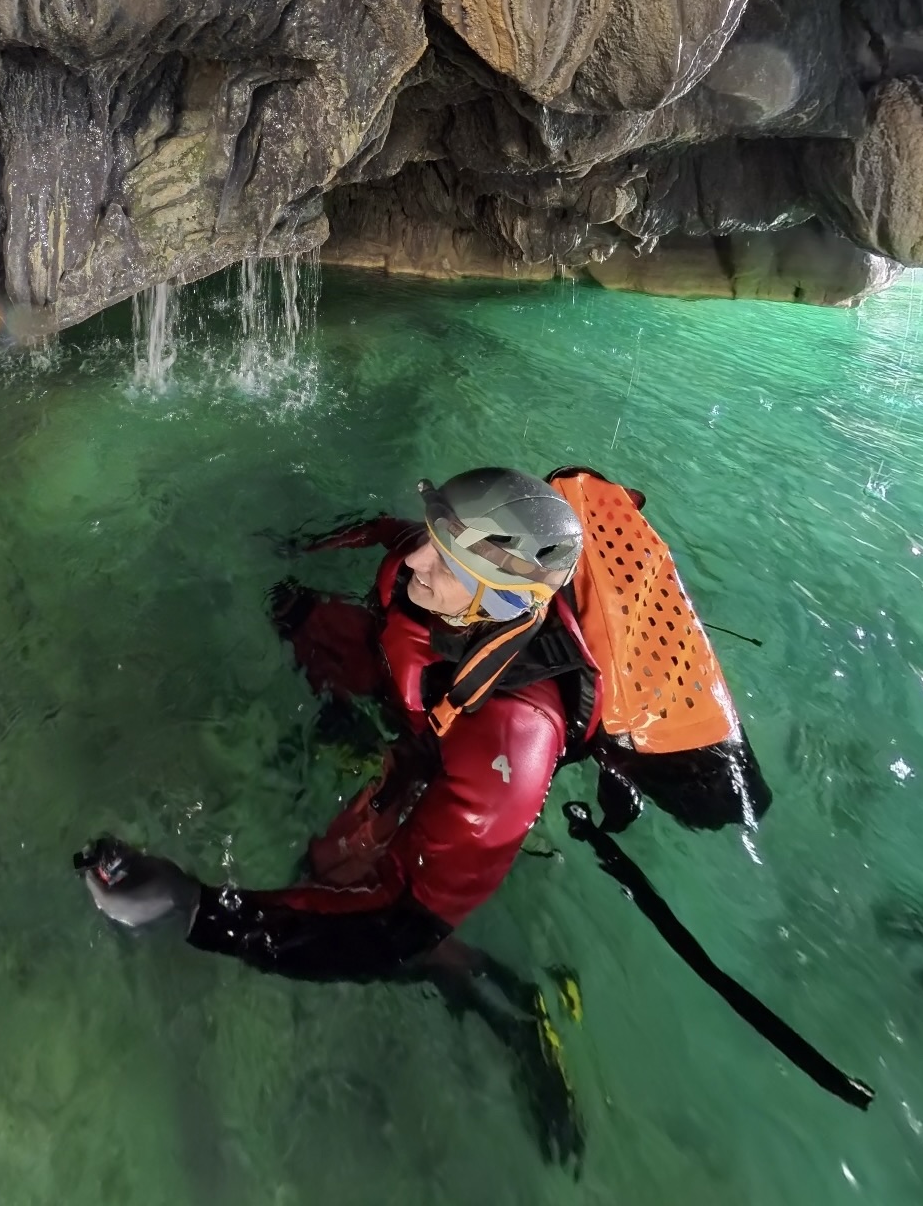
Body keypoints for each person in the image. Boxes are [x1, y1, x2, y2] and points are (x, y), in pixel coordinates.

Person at [75, 467, 596, 1161]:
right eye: (431, 534)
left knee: (331, 882)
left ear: (499, 600)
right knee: (291, 607)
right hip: (422, 690)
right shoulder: (449, 580)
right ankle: (346, 727)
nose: (416, 556)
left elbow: (399, 922)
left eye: (443, 558)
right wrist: (283, 544)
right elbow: (387, 533)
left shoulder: (514, 740)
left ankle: (507, 1008)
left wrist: (193, 909)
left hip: (453, 759)